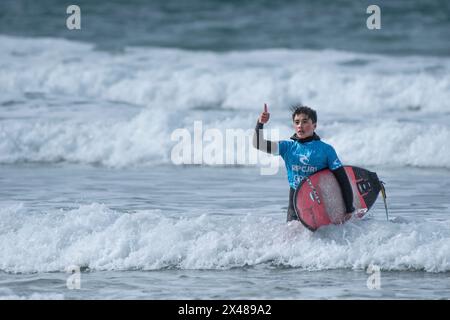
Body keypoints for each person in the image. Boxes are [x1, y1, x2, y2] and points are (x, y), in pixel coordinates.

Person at [253, 104, 355, 222]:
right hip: (295, 201)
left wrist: (349, 208)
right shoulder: (287, 147)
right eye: (296, 122)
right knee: (291, 238)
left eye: (304, 121)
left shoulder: (326, 150)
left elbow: (342, 179)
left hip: (320, 201)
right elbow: (258, 143)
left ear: (314, 125)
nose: (300, 126)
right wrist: (260, 123)